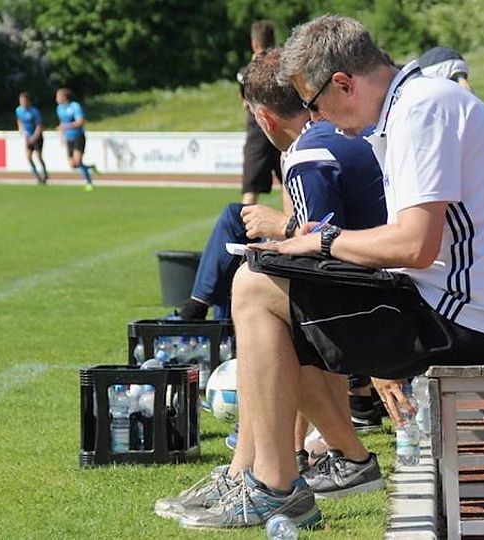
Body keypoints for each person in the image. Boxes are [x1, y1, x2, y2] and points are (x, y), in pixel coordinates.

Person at [175, 15, 484, 530]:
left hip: (461, 320)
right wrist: (317, 245)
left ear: (343, 83)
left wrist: (323, 241)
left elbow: (414, 244)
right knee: (269, 278)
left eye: (314, 104)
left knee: (255, 287)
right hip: (457, 305)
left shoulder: (421, 110)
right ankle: (252, 474)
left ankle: (274, 485)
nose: (317, 118)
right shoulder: (414, 104)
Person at [156, 48, 389, 523]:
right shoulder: (329, 138)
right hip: (393, 293)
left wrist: (280, 231)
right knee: (267, 295)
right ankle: (248, 470)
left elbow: (322, 254)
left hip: (390, 307)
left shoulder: (309, 150)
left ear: (263, 117)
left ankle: (294, 474)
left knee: (259, 293)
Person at [238, 20, 283, 205]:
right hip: (285, 128)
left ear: (254, 43)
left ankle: (245, 226)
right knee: (291, 183)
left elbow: (245, 103)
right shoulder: (283, 67)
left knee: (250, 191)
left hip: (259, 132)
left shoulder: (247, 72)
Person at [55, 88, 96, 191]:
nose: (56, 99)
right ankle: (91, 168)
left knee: (78, 161)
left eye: (58, 96)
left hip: (78, 136)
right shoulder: (59, 108)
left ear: (64, 97)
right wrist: (62, 136)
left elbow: (80, 122)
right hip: (69, 138)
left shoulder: (75, 106)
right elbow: (62, 122)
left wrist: (66, 126)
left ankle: (89, 182)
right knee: (73, 165)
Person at [15, 92, 48, 185]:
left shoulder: (34, 111)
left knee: (39, 157)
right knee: (28, 157)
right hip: (28, 137)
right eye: (21, 101)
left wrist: (34, 137)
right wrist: (21, 129)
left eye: (23, 100)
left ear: (28, 101)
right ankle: (37, 176)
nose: (22, 103)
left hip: (37, 136)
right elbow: (19, 120)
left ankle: (45, 173)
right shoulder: (19, 110)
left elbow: (39, 125)